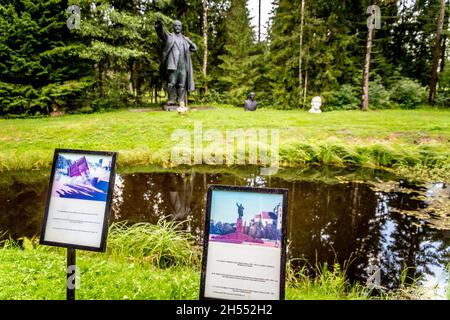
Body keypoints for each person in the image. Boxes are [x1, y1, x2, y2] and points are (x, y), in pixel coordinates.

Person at [155, 19, 197, 106]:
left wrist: (189, 41)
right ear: (173, 27)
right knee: (171, 83)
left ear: (181, 27)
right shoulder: (170, 37)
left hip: (183, 66)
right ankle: (171, 100)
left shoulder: (185, 39)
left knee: (182, 85)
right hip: (173, 65)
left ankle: (180, 101)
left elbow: (194, 48)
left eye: (179, 26)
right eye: (175, 25)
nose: (177, 27)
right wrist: (159, 27)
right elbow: (162, 34)